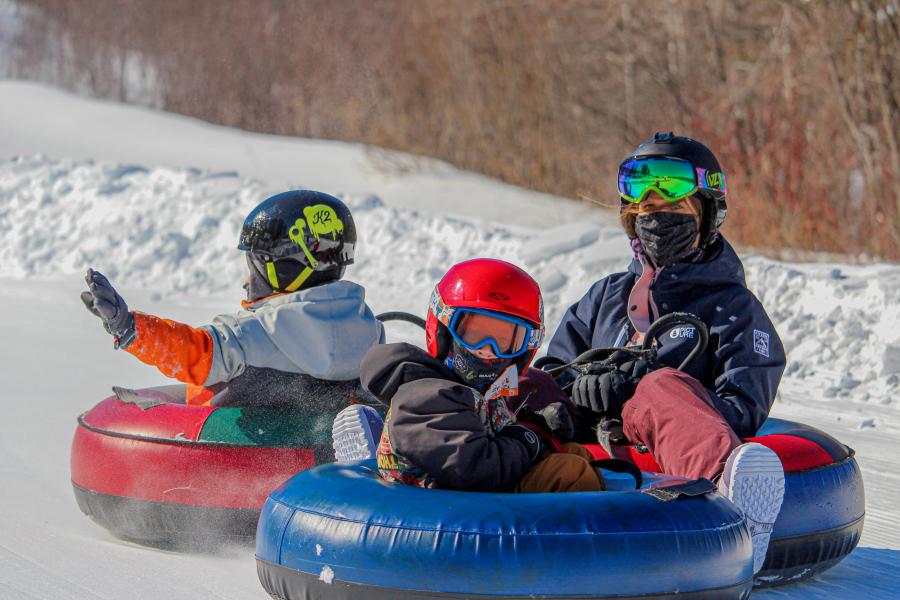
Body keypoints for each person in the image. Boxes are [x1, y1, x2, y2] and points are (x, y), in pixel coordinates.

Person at [548, 132, 787, 573]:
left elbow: (743, 406)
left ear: (706, 212)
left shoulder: (732, 309)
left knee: (660, 386)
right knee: (518, 381)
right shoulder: (606, 296)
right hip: (584, 442)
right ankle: (425, 453)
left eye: (675, 208)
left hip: (667, 451)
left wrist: (639, 389)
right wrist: (582, 387)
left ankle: (737, 517)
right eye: (648, 210)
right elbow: (554, 367)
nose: (659, 220)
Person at [81, 190, 384, 419]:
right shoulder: (368, 327)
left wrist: (131, 328)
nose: (246, 281)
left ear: (286, 266)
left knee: (205, 389)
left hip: (245, 445)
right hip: (318, 438)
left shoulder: (251, 333)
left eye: (256, 266)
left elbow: (192, 351)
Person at [335, 258, 604, 493]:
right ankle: (595, 545)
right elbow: (473, 468)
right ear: (443, 329)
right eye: (475, 335)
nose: (488, 351)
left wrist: (535, 429)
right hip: (442, 512)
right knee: (567, 472)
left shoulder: (478, 395)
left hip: (478, 499)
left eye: (504, 340)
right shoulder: (422, 396)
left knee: (573, 454)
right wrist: (527, 442)